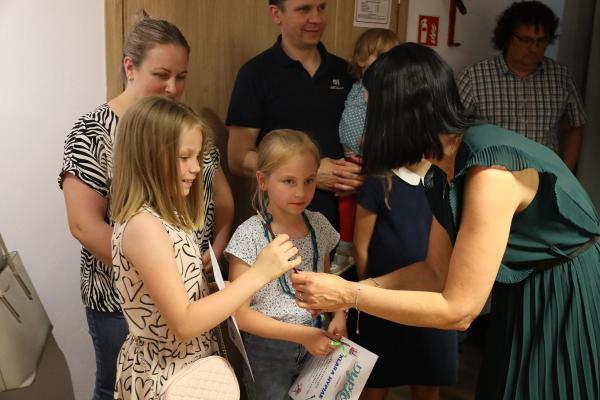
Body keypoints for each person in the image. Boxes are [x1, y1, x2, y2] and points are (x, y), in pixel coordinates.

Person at [291, 43, 600, 399]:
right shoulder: (441, 168)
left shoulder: (488, 172)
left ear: (402, 115)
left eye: (372, 110)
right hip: (523, 291)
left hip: (564, 292)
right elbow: (434, 271)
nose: (366, 125)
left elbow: (459, 311)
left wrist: (350, 293)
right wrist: (349, 295)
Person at [58, 12, 233, 399]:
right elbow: (84, 224)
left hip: (188, 293)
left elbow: (219, 199)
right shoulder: (93, 132)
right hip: (124, 302)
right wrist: (161, 273)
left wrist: (210, 255)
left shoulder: (186, 126)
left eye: (181, 76)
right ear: (130, 68)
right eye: (162, 74)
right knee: (117, 387)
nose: (173, 87)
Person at [110, 96, 300, 399]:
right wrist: (259, 274)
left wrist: (213, 290)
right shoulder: (144, 226)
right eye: (184, 157)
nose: (196, 168)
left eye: (197, 156)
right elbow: (184, 323)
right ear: (148, 156)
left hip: (190, 369)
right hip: (167, 377)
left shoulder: (167, 217)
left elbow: (172, 297)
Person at [224, 129, 347, 400]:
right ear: (263, 180)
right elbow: (240, 315)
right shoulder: (249, 235)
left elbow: (328, 283)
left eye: (309, 180)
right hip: (268, 351)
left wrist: (338, 315)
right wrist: (301, 335)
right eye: (289, 181)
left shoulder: (319, 226)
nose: (300, 192)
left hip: (317, 339)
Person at [226, 0, 362, 231]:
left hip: (345, 225)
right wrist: (310, 174)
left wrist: (361, 176)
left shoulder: (347, 72)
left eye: (321, 8)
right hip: (281, 227)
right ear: (276, 14)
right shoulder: (255, 74)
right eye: (304, 9)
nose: (316, 18)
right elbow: (238, 159)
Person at [348, 160, 457, 400]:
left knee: (428, 383)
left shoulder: (448, 183)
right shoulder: (379, 181)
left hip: (432, 303)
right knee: (375, 384)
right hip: (382, 304)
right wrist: (372, 295)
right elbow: (361, 248)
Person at [457, 1, 586, 171]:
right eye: (526, 40)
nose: (534, 48)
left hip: (544, 176)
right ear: (507, 37)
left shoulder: (561, 77)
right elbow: (449, 129)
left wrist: (565, 172)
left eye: (541, 41)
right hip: (491, 176)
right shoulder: (475, 77)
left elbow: (575, 125)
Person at [333, 28, 400, 274]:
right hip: (351, 155)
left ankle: (356, 249)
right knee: (346, 199)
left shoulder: (389, 92)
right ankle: (347, 246)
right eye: (380, 56)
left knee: (369, 201)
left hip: (372, 156)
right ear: (361, 59)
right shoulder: (357, 87)